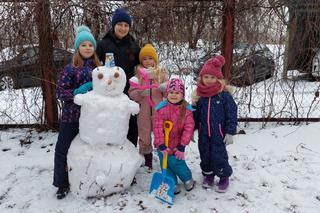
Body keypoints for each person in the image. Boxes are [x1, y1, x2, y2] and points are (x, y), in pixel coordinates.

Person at [53, 26, 100, 199]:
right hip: (71, 117)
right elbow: (59, 92)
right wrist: (75, 92)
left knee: (90, 149)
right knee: (62, 149)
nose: (88, 47)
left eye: (90, 45)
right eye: (84, 45)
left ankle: (90, 178)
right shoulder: (70, 68)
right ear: (77, 48)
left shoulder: (98, 67)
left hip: (92, 117)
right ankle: (61, 183)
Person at [193, 55, 237, 193]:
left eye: (212, 77)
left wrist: (230, 131)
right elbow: (194, 115)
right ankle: (208, 175)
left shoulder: (224, 96)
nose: (209, 80)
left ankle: (223, 176)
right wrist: (190, 130)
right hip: (204, 133)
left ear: (218, 79)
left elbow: (232, 113)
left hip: (219, 133)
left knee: (219, 155)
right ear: (202, 78)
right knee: (205, 154)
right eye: (206, 77)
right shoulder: (200, 96)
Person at [96, 8, 140, 147]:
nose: (123, 28)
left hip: (129, 92)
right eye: (120, 24)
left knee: (131, 123)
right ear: (113, 25)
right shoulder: (103, 45)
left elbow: (141, 68)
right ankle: (111, 152)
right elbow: (95, 68)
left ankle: (131, 151)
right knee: (111, 122)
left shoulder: (134, 46)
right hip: (109, 92)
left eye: (126, 25)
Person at [128, 44, 168, 170]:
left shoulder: (161, 74)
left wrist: (164, 88)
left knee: (160, 133)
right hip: (143, 111)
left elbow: (171, 92)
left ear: (155, 60)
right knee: (144, 133)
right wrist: (139, 93)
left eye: (150, 58)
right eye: (144, 59)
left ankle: (163, 157)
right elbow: (131, 93)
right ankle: (147, 159)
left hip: (158, 110)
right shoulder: (138, 76)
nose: (148, 61)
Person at [153, 78, 195, 194]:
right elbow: (157, 127)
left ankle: (187, 179)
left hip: (177, 145)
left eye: (177, 93)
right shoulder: (161, 109)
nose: (174, 95)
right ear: (167, 93)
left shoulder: (186, 110)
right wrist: (161, 144)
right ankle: (172, 182)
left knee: (178, 164)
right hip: (163, 145)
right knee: (165, 164)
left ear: (182, 94)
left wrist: (182, 146)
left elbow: (189, 128)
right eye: (171, 92)